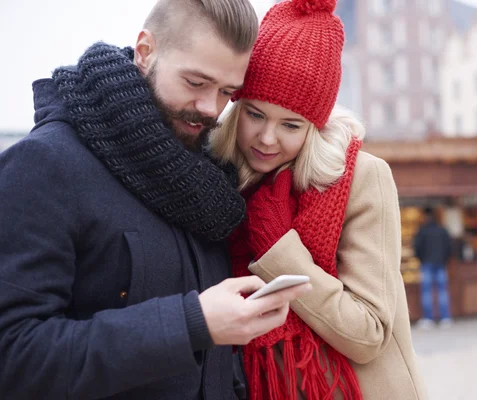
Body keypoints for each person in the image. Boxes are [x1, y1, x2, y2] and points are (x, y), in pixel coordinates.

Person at [0, 1, 312, 399]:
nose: (210, 108)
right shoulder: (44, 165)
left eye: (227, 92)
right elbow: (13, 356)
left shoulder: (209, 178)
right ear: (145, 52)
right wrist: (191, 324)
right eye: (196, 83)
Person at [209, 0, 428, 398]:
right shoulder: (215, 181)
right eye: (255, 114)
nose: (267, 138)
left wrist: (279, 253)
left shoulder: (360, 178)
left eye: (290, 124)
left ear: (315, 125)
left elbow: (368, 333)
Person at [413, 207, 453, 329]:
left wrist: (422, 259)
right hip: (441, 264)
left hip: (426, 264)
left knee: (426, 293)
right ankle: (445, 318)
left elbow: (417, 248)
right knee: (442, 292)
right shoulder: (442, 230)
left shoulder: (422, 231)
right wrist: (444, 259)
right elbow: (449, 247)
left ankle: (428, 319)